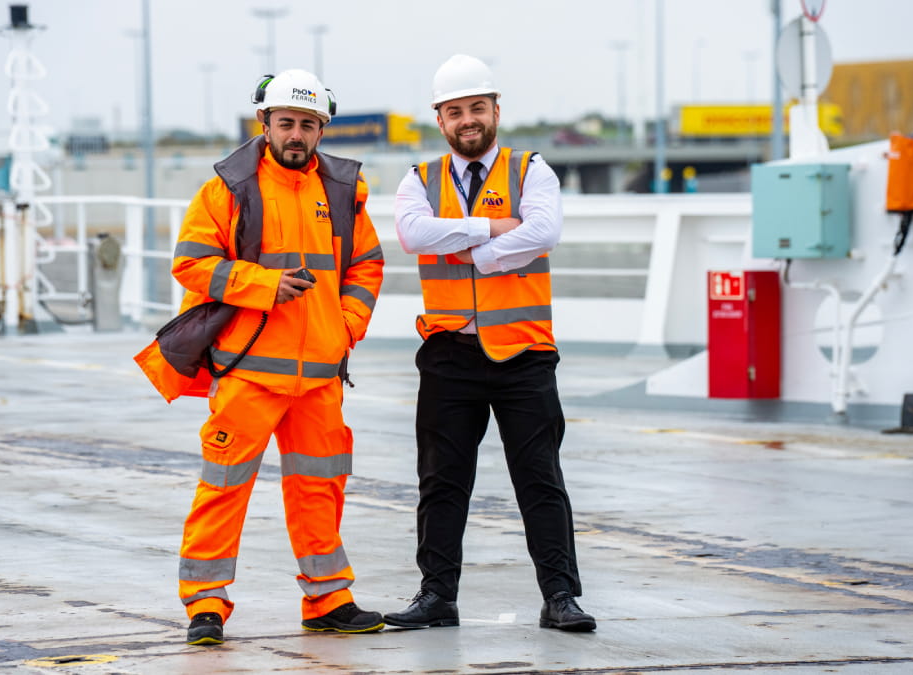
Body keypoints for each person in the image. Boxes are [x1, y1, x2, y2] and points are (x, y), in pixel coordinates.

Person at [141, 69, 385, 645]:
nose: (296, 134)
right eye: (286, 123)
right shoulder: (227, 188)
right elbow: (192, 263)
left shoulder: (345, 190)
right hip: (250, 371)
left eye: (307, 124)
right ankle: (205, 604)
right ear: (265, 124)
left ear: (321, 129)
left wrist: (345, 327)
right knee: (224, 487)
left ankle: (328, 599)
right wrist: (263, 284)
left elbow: (366, 265)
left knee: (320, 488)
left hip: (321, 376)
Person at [383, 54, 595, 632]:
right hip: (450, 352)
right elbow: (411, 234)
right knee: (442, 481)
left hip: (524, 353)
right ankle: (436, 597)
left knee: (540, 479)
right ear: (440, 118)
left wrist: (474, 251)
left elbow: (544, 230)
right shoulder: (418, 180)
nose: (467, 120)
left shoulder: (533, 171)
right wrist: (495, 229)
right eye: (455, 111)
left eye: (477, 107)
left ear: (496, 110)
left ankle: (560, 597)